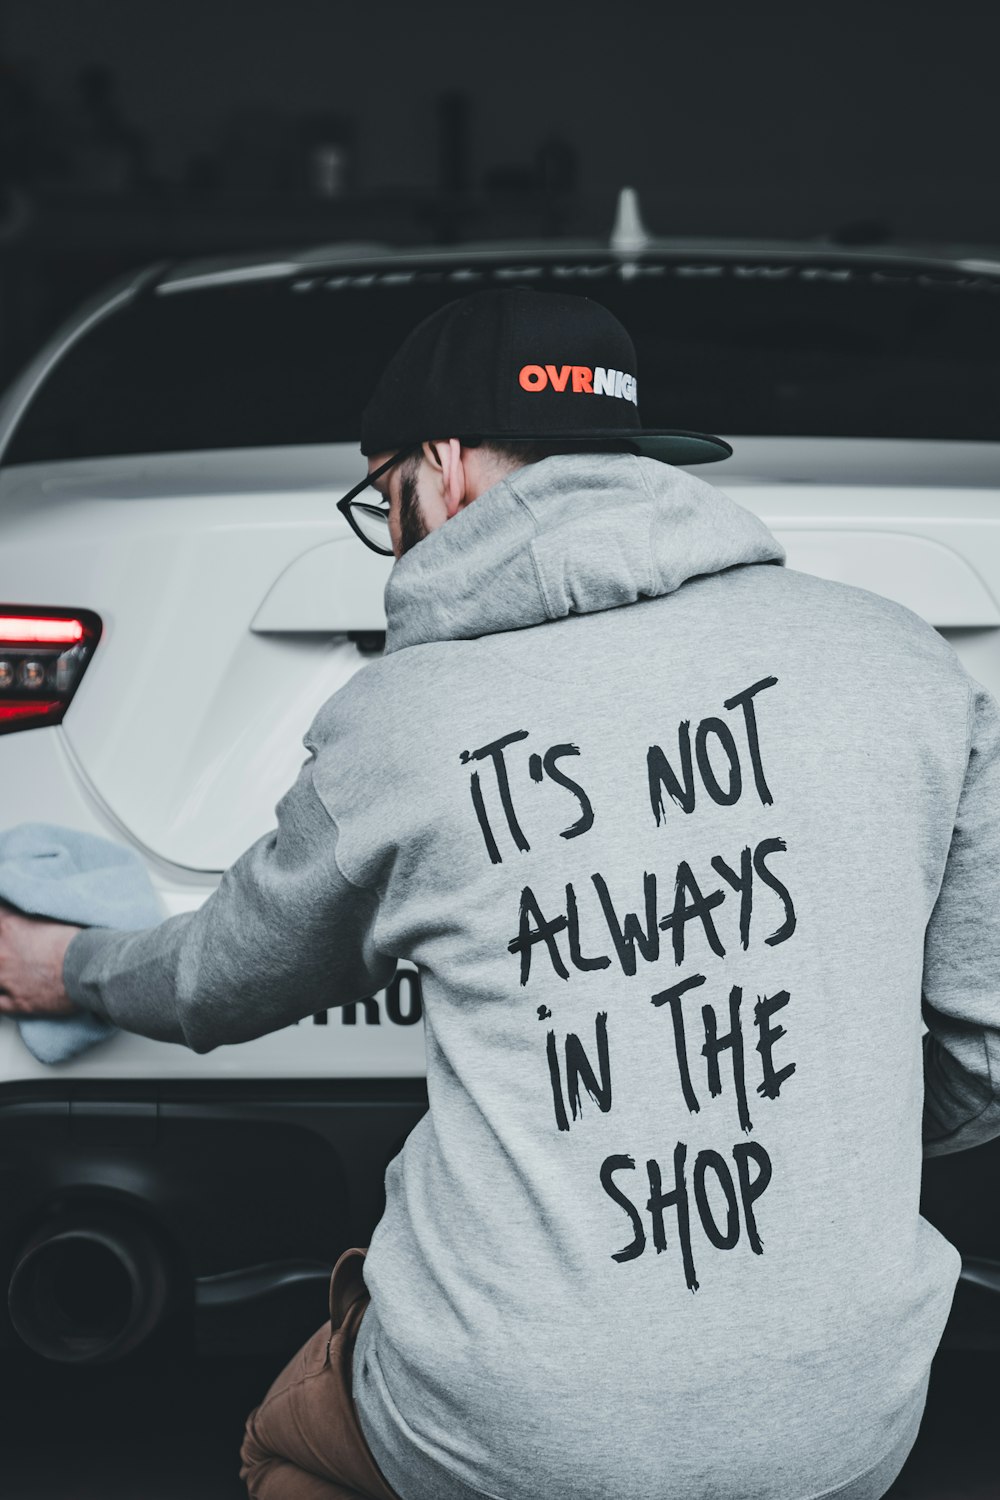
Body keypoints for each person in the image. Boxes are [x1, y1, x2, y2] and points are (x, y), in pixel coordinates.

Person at [0, 286, 998, 1500]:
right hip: (850, 1431)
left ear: (443, 465)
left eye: (383, 502)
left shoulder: (404, 717)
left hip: (497, 1432)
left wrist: (57, 966)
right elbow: (986, 1040)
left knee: (283, 1446)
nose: (393, 534)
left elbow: (224, 978)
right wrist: (815, 1148)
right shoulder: (898, 657)